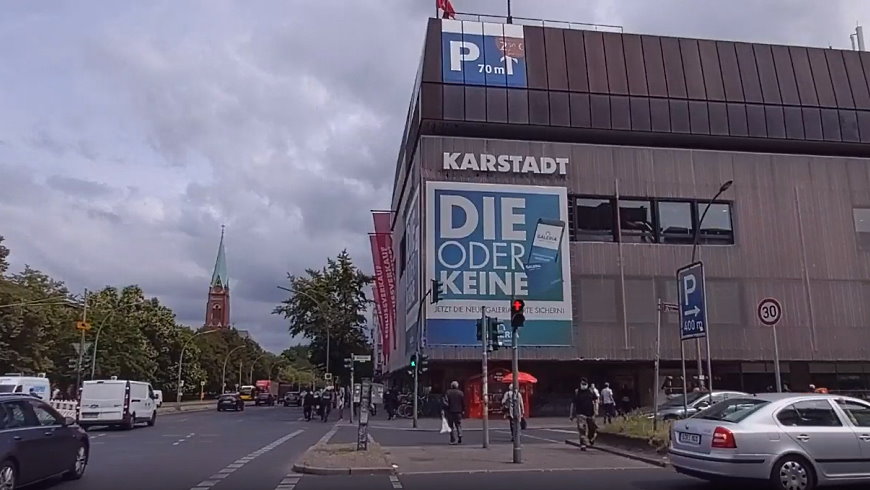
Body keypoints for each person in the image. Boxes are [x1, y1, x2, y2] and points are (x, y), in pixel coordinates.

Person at [570, 378, 598, 451]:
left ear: (587, 384)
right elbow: (573, 403)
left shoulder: (591, 391)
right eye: (582, 384)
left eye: (585, 384)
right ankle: (583, 444)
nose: (583, 385)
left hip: (590, 414)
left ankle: (590, 439)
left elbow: (595, 401)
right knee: (582, 429)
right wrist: (571, 414)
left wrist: (596, 410)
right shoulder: (577, 392)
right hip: (580, 414)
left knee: (592, 429)